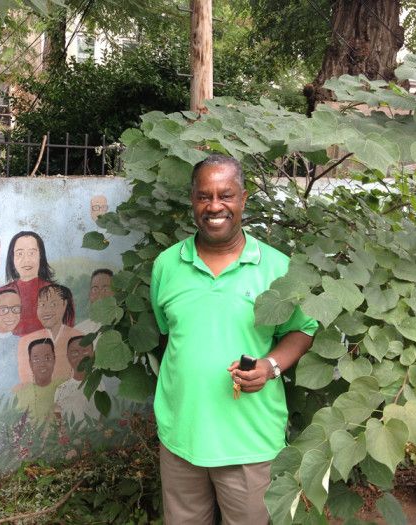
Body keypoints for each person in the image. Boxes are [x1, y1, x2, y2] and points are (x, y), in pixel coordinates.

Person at [150, 154, 318, 524]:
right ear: (192, 200)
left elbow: (302, 329)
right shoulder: (166, 265)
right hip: (181, 437)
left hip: (249, 443)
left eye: (225, 195)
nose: (214, 207)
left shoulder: (277, 268)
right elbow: (169, 334)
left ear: (244, 199)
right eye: (203, 196)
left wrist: (270, 366)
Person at [17, 283, 79, 384]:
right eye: (42, 305)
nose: (46, 310)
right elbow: (26, 381)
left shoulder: (77, 337)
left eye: (53, 304)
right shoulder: (26, 341)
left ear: (64, 304)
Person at [3, 231, 54, 336]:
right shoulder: (1, 295)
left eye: (32, 253)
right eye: (20, 254)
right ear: (12, 258)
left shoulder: (57, 293)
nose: (26, 260)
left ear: (41, 256)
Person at [54, 336, 102, 422]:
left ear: (93, 354)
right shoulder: (60, 390)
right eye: (74, 353)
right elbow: (59, 422)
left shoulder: (100, 384)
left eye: (85, 352)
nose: (80, 358)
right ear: (67, 357)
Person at [15, 338, 63, 422]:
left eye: (47, 358)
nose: (42, 364)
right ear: (30, 363)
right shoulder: (20, 394)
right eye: (36, 359)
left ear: (54, 359)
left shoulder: (64, 387)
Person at [75, 269, 114, 335]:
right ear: (90, 295)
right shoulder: (78, 331)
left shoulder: (128, 327)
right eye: (95, 289)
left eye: (105, 289)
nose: (100, 295)